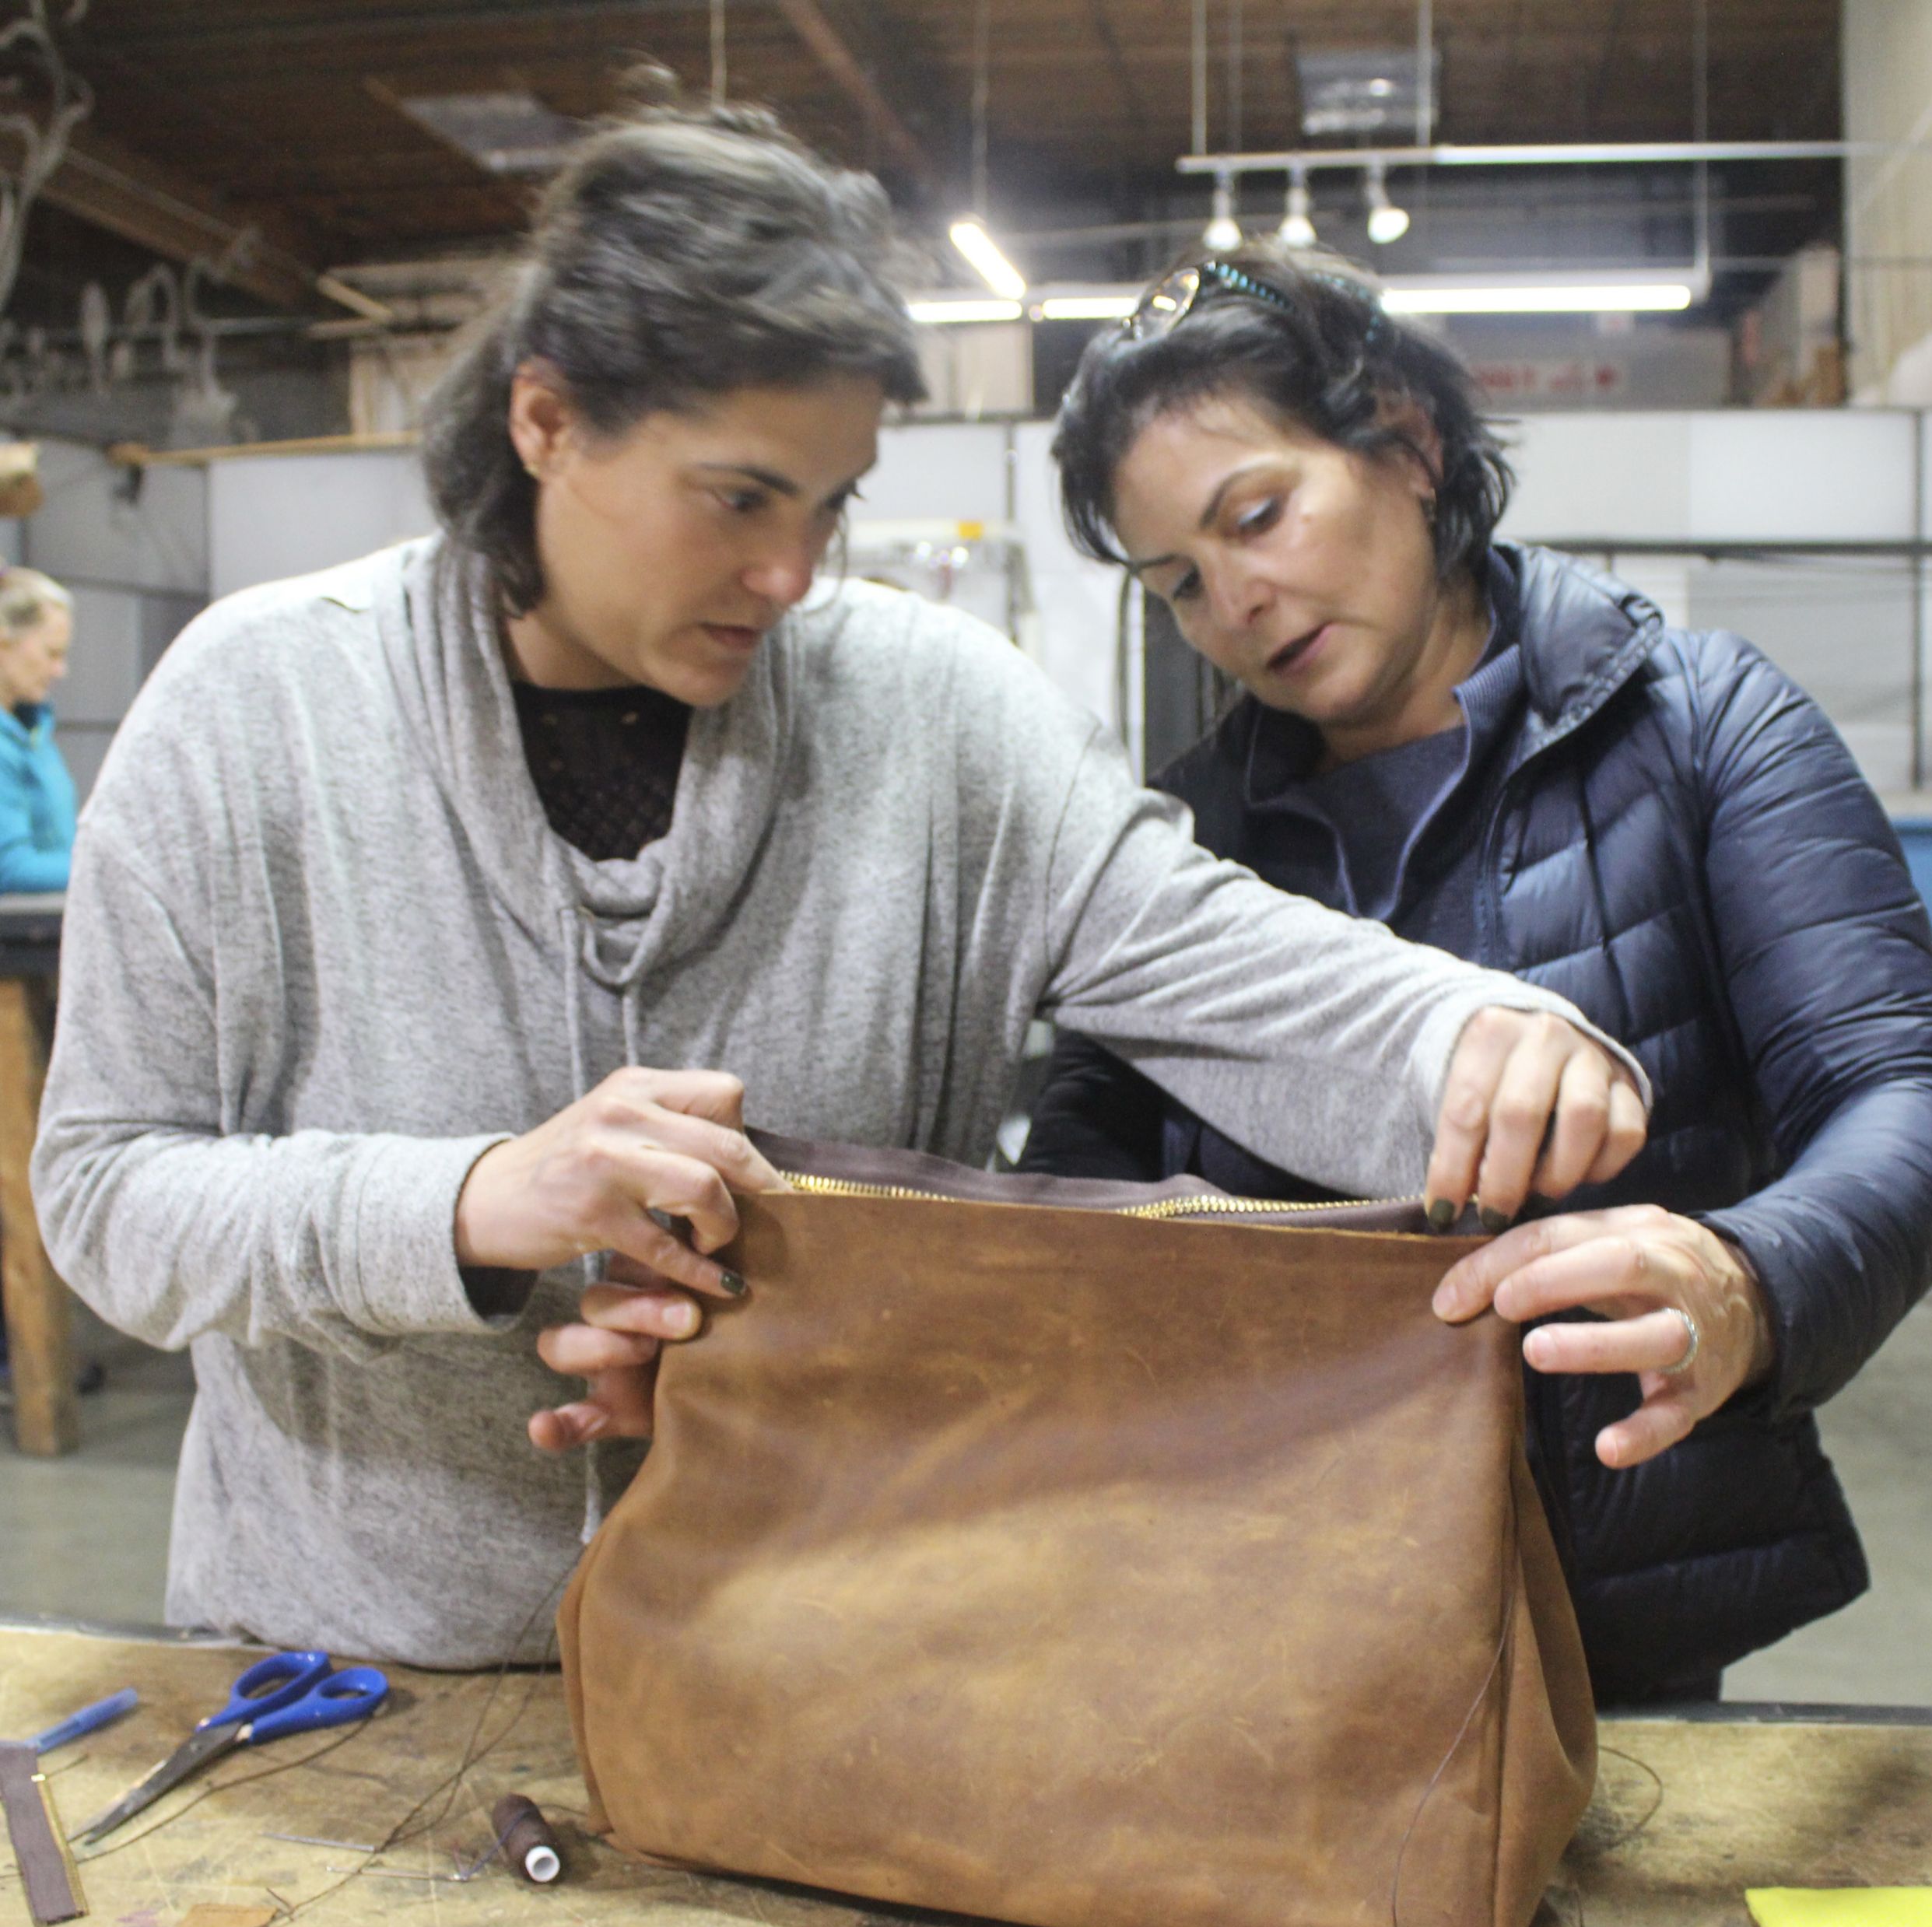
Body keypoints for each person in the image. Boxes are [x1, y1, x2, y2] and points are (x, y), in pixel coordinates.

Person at [30, 95, 1646, 1669]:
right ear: (547, 421)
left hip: (824, 1667)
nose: (791, 573)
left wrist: (1470, 1035)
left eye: (830, 504)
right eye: (738, 496)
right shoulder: (255, 711)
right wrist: (466, 1204)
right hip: (351, 1668)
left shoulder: (936, 716)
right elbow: (106, 1195)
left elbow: (1208, 953)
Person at [1021, 246, 1932, 1705]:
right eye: (1180, 584)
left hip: (1625, 1625)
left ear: (1409, 444)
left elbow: (1910, 1096)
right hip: (1270, 1630)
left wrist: (1750, 1278)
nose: (1236, 604)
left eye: (1259, 516)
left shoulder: (1700, 728)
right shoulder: (1184, 846)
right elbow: (1082, 1198)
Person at [0, 566, 75, 893]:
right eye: (51, 653)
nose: (60, 670)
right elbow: (9, 869)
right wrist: (104, 869)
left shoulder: (31, 730)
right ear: (4, 640)